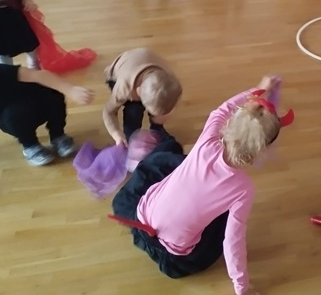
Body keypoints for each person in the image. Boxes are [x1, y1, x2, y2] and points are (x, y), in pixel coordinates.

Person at [110, 75, 294, 295]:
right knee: (223, 219)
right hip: (173, 260)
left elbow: (222, 109)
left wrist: (258, 89)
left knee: (170, 157)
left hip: (142, 221)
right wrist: (242, 289)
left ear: (230, 123)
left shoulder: (207, 139)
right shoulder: (243, 189)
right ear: (261, 150)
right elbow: (232, 242)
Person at [0, 57, 94, 166]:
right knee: (13, 115)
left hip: (35, 100)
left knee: (54, 94)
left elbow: (39, 75)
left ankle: (58, 135)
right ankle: (30, 145)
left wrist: (70, 89)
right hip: (15, 119)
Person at [103, 47, 183, 146]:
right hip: (116, 75)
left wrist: (164, 116)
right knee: (134, 110)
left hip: (141, 61)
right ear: (138, 92)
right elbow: (108, 112)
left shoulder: (170, 80)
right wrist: (116, 135)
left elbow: (176, 97)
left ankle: (157, 128)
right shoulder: (124, 88)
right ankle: (131, 138)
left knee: (161, 104)